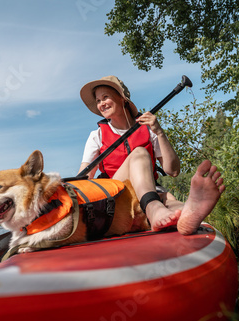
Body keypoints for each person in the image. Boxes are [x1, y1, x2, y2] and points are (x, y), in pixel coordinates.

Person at [78, 76, 225, 235]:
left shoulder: (148, 129)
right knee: (140, 153)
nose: (101, 104)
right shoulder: (97, 136)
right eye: (98, 100)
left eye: (105, 97)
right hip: (118, 196)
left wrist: (159, 132)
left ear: (122, 98)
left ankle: (188, 211)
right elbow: (85, 180)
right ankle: (154, 209)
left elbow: (173, 171)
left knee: (171, 200)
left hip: (150, 190)